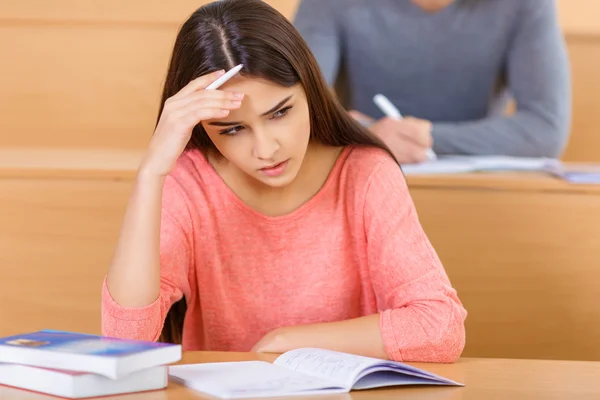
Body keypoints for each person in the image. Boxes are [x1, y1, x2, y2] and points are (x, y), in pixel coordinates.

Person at [101, 0, 467, 363]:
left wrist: (289, 340)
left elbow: (440, 328)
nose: (266, 149)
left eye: (280, 113)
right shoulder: (189, 184)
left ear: (309, 87)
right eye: (232, 129)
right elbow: (126, 342)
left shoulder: (365, 173)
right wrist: (152, 174)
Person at [293, 0, 572, 164]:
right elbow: (295, 110)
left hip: (478, 199)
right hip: (362, 181)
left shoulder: (526, 6)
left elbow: (545, 129)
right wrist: (367, 136)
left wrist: (417, 138)